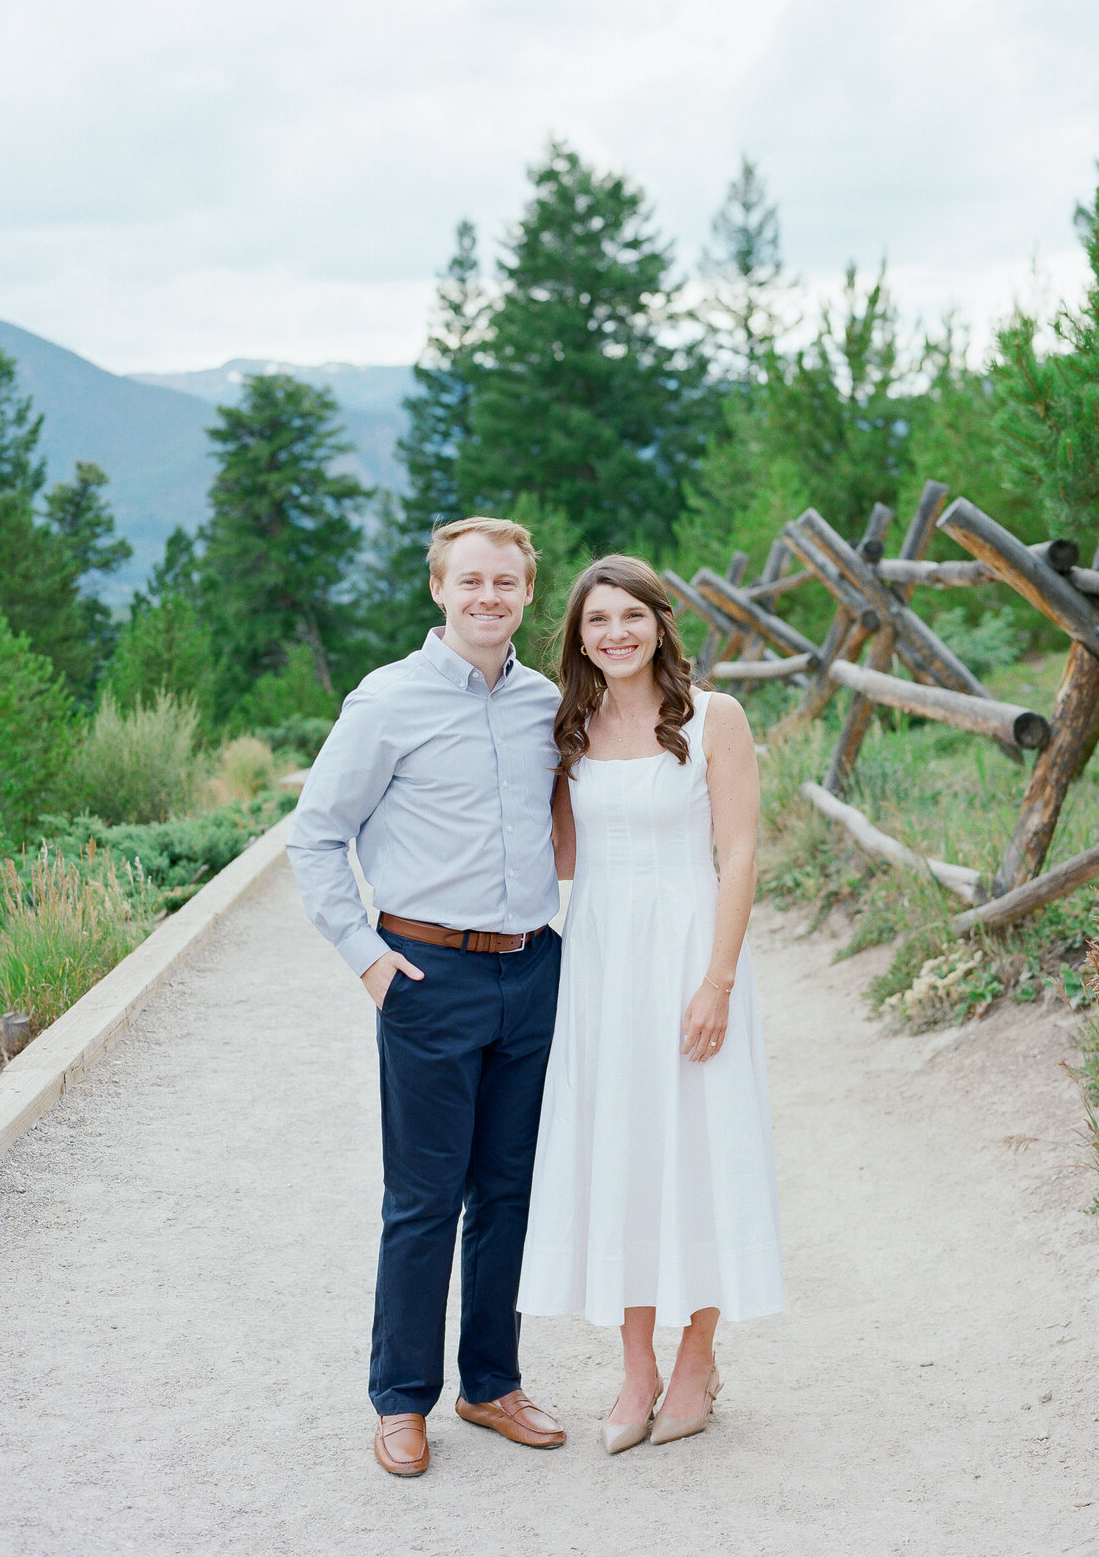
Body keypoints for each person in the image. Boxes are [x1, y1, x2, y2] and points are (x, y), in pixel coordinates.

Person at [286, 516, 567, 1478]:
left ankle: (491, 1385)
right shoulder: (387, 702)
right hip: (426, 974)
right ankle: (401, 1401)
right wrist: (365, 955)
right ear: (439, 591)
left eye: (507, 584)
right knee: (422, 1197)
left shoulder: (545, 705)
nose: (489, 598)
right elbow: (315, 834)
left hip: (533, 973)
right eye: (471, 582)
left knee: (509, 1192)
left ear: (529, 594)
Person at [517, 554, 783, 1453]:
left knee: (699, 1150)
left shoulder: (716, 718)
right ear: (578, 638)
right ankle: (636, 1370)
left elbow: (738, 856)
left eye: (631, 615)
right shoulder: (570, 729)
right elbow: (555, 853)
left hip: (687, 956)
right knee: (620, 1154)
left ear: (662, 624)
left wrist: (717, 981)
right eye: (597, 621)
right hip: (599, 964)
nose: (616, 633)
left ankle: (698, 1357)